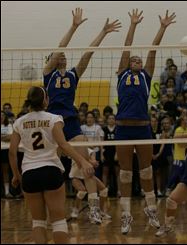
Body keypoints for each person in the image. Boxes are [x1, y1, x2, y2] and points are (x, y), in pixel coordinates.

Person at [43, 8, 121, 223]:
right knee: (53, 168)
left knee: (86, 164)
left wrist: (103, 32)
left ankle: (94, 208)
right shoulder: (48, 75)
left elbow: (88, 53)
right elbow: (60, 48)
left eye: (63, 56)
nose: (62, 57)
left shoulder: (73, 75)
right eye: (58, 56)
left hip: (70, 122)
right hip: (52, 124)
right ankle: (52, 210)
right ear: (51, 60)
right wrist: (74, 27)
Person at [115, 9, 176, 234]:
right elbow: (126, 45)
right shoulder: (122, 73)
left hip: (142, 129)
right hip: (122, 130)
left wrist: (162, 27)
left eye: (138, 60)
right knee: (125, 174)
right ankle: (126, 216)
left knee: (147, 172)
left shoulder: (146, 76)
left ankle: (151, 210)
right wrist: (133, 24)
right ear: (127, 64)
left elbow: (153, 50)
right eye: (133, 59)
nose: (136, 60)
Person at [8, 86, 95, 244]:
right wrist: (82, 161)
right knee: (58, 221)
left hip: (29, 173)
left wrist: (15, 175)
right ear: (45, 100)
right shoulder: (54, 118)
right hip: (50, 171)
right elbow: (64, 145)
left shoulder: (19, 122)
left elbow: (12, 152)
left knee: (38, 222)